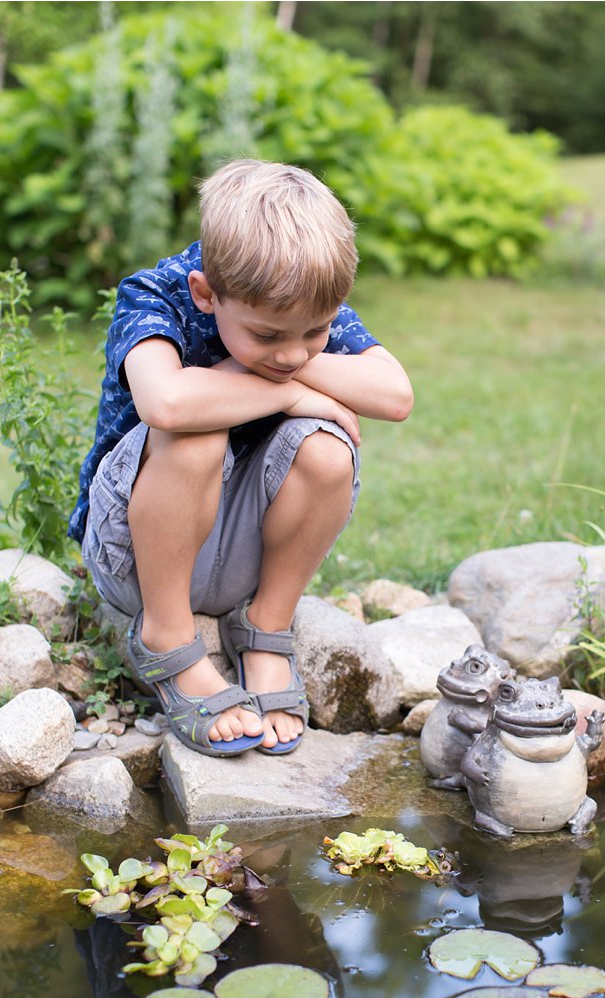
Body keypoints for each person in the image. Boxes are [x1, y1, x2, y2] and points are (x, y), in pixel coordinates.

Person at [68, 159, 413, 757]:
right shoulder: (159, 296)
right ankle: (168, 637)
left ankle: (264, 626)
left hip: (242, 557)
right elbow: (167, 401)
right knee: (199, 427)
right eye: (268, 337)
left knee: (328, 449)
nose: (293, 352)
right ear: (207, 292)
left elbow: (396, 395)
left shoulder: (297, 301)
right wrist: (293, 391)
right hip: (137, 559)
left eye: (316, 333)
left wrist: (282, 369)